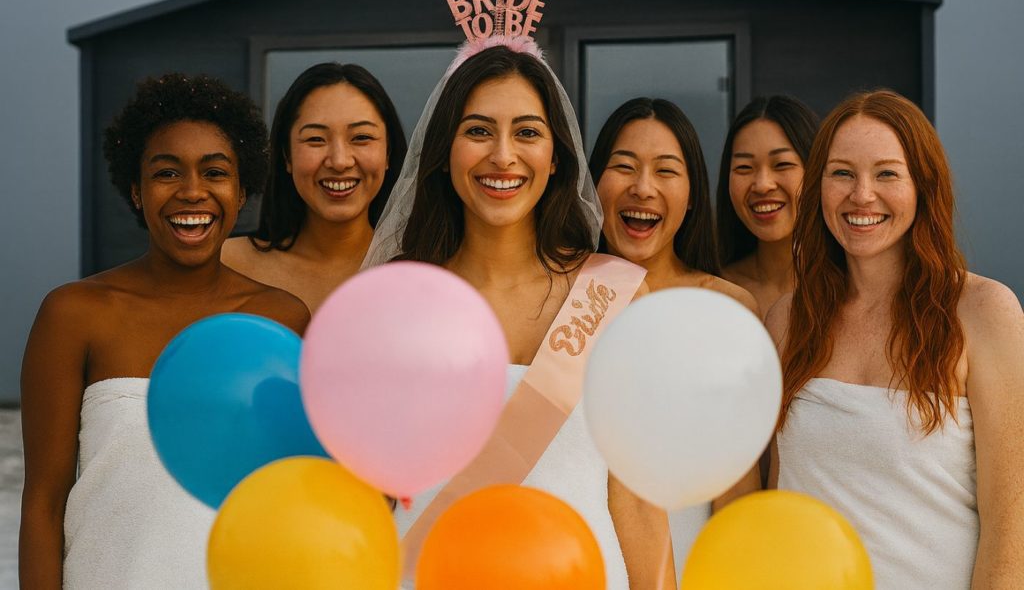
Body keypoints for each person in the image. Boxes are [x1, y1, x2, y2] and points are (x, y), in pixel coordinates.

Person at [366, 36, 669, 588]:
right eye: (478, 130)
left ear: (556, 158)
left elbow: (642, 506)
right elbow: (368, 499)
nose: (502, 156)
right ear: (445, 150)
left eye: (527, 132)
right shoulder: (392, 298)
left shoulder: (617, 296)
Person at [19, 74, 309, 589]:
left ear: (242, 192)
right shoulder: (75, 314)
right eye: (167, 172)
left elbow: (291, 496)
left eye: (215, 172)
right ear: (136, 189)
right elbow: (43, 503)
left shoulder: (282, 320)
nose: (192, 191)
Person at [766, 90, 1023, 588]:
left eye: (887, 173)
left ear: (923, 186)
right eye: (842, 173)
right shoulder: (789, 319)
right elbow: (781, 493)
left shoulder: (984, 313)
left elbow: (1011, 527)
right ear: (818, 186)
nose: (862, 195)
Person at [589, 97, 759, 582]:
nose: (642, 188)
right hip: (577, 556)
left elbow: (735, 485)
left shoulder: (727, 308)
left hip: (691, 566)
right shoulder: (565, 296)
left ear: (691, 196)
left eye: (666, 171)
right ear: (592, 184)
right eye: (623, 167)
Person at [222, 63, 406, 313]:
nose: (339, 161)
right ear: (287, 156)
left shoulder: (419, 271)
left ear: (388, 154)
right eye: (315, 139)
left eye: (361, 137)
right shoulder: (227, 263)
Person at [716, 96, 818, 316]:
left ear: (816, 171)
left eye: (782, 164)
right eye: (744, 167)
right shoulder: (711, 292)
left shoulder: (851, 289)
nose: (762, 185)